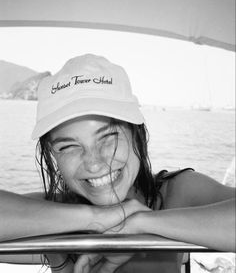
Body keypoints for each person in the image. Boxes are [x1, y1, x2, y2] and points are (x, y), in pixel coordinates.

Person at [0, 54, 235, 273]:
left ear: (137, 134)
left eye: (108, 137)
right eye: (68, 146)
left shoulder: (178, 194)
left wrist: (141, 222)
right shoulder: (51, 213)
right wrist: (96, 218)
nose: (93, 164)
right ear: (53, 156)